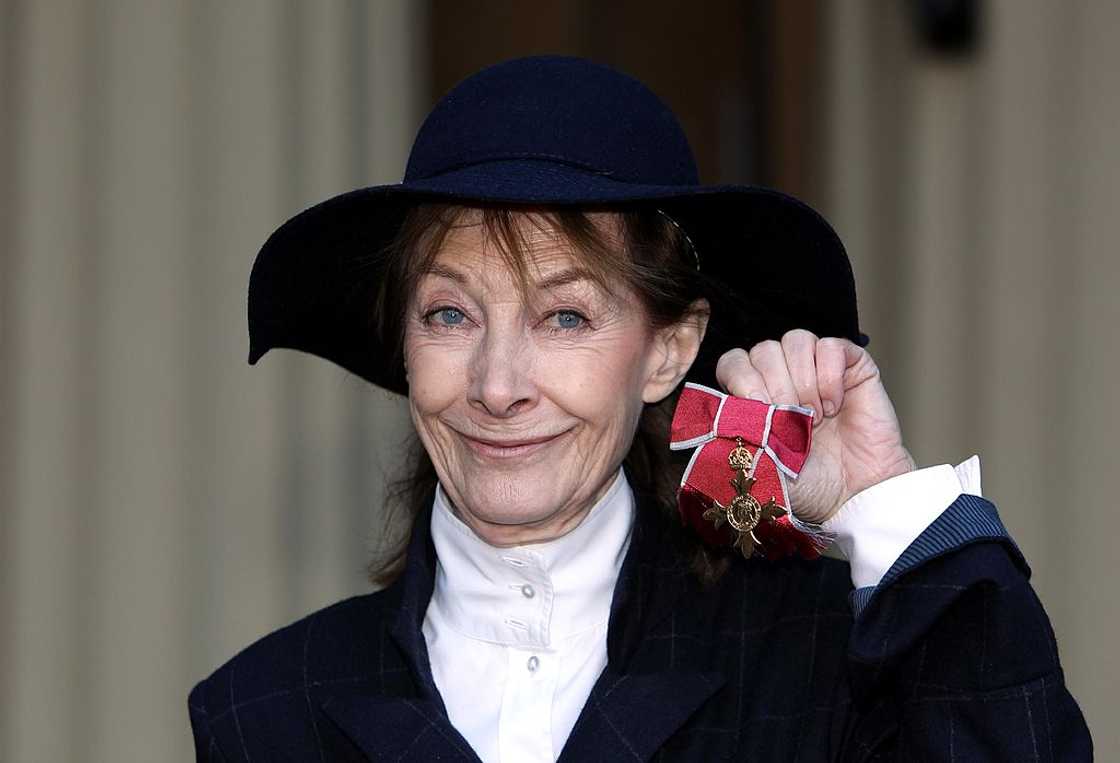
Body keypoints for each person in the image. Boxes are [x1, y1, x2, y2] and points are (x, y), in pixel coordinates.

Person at [188, 56, 1091, 761]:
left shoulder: (814, 658)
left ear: (666, 348)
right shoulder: (265, 709)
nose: (497, 384)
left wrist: (881, 499)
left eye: (566, 314)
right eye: (450, 313)